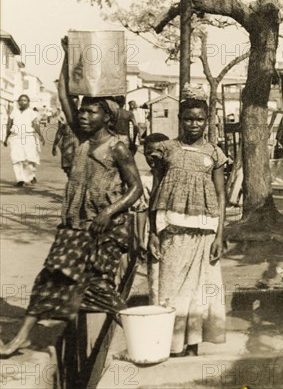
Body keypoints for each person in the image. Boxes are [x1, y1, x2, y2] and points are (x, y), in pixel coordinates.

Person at [0, 38, 143, 357]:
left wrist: (110, 212)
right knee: (50, 275)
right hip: (74, 226)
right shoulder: (81, 138)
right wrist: (68, 56)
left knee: (98, 288)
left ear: (107, 117)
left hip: (102, 230)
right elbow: (65, 93)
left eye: (92, 113)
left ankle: (142, 335)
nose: (83, 116)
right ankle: (23, 335)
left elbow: (136, 189)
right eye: (82, 112)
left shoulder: (117, 147)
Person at [150, 97, 227, 356]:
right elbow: (156, 188)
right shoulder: (166, 149)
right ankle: (171, 345)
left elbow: (220, 194)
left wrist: (219, 235)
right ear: (180, 119)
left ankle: (193, 344)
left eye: (199, 119)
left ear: (207, 121)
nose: (194, 124)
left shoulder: (214, 153)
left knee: (200, 291)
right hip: (172, 227)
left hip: (205, 229)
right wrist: (152, 230)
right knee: (170, 289)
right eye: (188, 118)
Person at [132, 132, 169, 305]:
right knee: (155, 279)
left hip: (174, 232)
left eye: (159, 152)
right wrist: (141, 239)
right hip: (153, 236)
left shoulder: (173, 176)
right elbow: (141, 209)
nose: (153, 156)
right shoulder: (144, 179)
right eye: (148, 152)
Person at [3, 94, 45, 187]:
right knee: (16, 159)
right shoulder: (14, 111)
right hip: (15, 137)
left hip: (28, 137)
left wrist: (41, 136)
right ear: (18, 102)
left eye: (25, 100)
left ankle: (31, 176)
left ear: (28, 102)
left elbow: (36, 125)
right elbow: (9, 125)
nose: (22, 102)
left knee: (29, 158)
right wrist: (6, 138)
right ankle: (20, 179)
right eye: (21, 100)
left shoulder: (31, 112)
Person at [52, 101, 80, 177]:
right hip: (68, 141)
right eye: (72, 100)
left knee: (79, 166)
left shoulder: (83, 113)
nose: (74, 102)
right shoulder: (63, 115)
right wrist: (54, 145)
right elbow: (60, 131)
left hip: (80, 141)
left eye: (76, 100)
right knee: (68, 167)